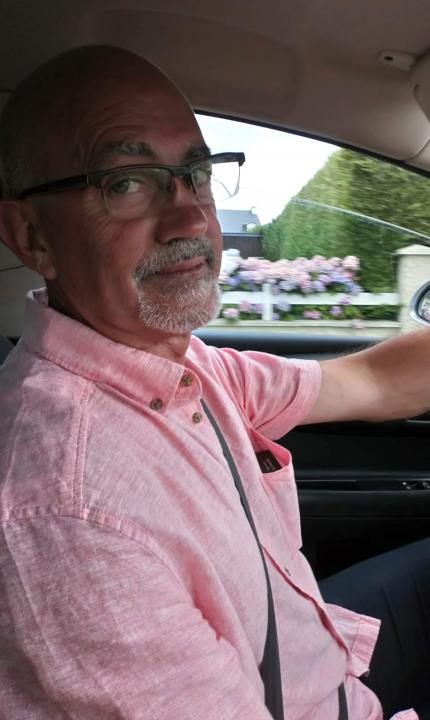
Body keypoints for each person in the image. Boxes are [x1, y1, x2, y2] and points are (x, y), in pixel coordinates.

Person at [0, 44, 428, 720]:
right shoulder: (67, 511)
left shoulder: (186, 369)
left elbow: (370, 381)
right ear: (31, 236)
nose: (192, 219)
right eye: (126, 182)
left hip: (321, 663)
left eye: (195, 174)